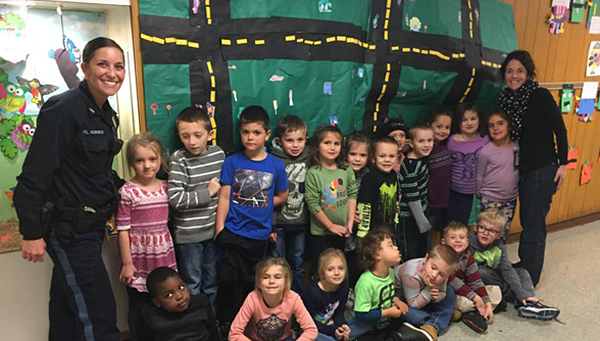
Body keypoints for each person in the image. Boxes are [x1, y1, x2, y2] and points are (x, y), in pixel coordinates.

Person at [13, 37, 125, 340]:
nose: (112, 73)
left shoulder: (104, 112)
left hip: (90, 228)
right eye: (103, 64)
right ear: (85, 68)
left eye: (118, 66)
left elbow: (94, 173)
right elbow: (33, 177)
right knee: (99, 317)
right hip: (68, 230)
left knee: (67, 312)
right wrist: (32, 232)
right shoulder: (64, 109)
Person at [214, 106, 289, 328]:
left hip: (258, 236)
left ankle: (249, 323)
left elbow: (282, 195)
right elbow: (225, 196)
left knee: (251, 283)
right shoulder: (233, 162)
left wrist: (264, 204)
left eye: (256, 133)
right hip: (232, 231)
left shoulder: (275, 165)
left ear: (267, 135)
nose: (250, 137)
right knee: (226, 280)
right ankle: (225, 323)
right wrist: (219, 228)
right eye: (245, 132)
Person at [498, 50, 568, 286]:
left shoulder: (540, 96)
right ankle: (525, 265)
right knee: (526, 220)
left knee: (533, 223)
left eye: (519, 71)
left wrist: (563, 163)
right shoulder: (505, 99)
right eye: (509, 71)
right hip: (518, 168)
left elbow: (560, 128)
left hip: (542, 169)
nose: (514, 76)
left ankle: (529, 278)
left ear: (528, 73)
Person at [116, 133, 177, 340]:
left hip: (163, 254)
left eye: (152, 159)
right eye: (139, 160)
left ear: (160, 159)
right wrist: (127, 263)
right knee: (138, 305)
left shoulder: (167, 188)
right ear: (131, 163)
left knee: (164, 299)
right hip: (139, 258)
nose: (147, 166)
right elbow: (123, 229)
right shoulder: (128, 192)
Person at [168, 107, 225, 306]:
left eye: (197, 135)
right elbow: (175, 199)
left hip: (213, 233)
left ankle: (211, 324)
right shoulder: (179, 159)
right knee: (192, 284)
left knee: (211, 283)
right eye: (185, 136)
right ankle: (195, 328)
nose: (192, 141)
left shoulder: (218, 155)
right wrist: (207, 193)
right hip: (189, 236)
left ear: (210, 135)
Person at [469, 209, 560, 321]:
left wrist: (521, 292)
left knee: (522, 271)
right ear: (476, 228)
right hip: (479, 279)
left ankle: (529, 301)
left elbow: (506, 269)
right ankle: (522, 300)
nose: (486, 233)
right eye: (482, 228)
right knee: (481, 272)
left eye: (492, 231)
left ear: (498, 235)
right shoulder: (469, 242)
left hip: (496, 275)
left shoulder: (499, 245)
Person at [305, 125, 357, 272]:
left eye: (337, 144)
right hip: (321, 234)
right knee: (322, 270)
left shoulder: (346, 169)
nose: (332, 147)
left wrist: (350, 221)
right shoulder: (313, 173)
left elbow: (352, 194)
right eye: (327, 143)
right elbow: (313, 204)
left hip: (342, 231)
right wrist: (330, 226)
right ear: (317, 146)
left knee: (338, 269)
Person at [229, 257, 318, 341]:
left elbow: (311, 330)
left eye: (277, 277)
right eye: (265, 277)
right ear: (259, 283)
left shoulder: (293, 298)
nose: (271, 281)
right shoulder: (252, 299)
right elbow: (234, 334)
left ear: (286, 282)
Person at [270, 115, 310, 294]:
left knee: (298, 263)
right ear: (279, 141)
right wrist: (270, 226)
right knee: (278, 264)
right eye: (289, 140)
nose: (295, 145)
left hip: (300, 223)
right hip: (278, 224)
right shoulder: (273, 160)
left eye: (300, 140)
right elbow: (268, 195)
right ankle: (279, 299)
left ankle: (298, 302)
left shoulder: (310, 156)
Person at [441, 221, 501, 334]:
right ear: (444, 242)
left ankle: (482, 309)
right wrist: (476, 298)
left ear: (467, 242)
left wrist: (486, 301)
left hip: (466, 291)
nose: (458, 240)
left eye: (462, 237)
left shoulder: (468, 258)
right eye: (452, 237)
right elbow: (453, 281)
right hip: (448, 292)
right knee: (466, 303)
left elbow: (476, 281)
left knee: (496, 292)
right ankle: (469, 313)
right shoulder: (442, 257)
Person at [394, 244, 460, 341]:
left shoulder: (443, 274)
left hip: (422, 298)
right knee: (415, 317)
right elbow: (413, 304)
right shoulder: (412, 274)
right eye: (433, 268)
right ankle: (442, 316)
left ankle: (433, 324)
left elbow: (443, 292)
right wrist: (430, 289)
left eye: (441, 274)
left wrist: (435, 298)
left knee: (450, 292)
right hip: (403, 299)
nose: (434, 275)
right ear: (425, 259)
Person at [351, 229, 408, 340]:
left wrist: (397, 301)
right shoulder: (366, 282)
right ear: (377, 254)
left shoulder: (390, 272)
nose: (396, 248)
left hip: (385, 324)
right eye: (390, 246)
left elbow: (387, 296)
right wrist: (388, 312)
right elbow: (361, 315)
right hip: (367, 329)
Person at [141, 267, 220, 341]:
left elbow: (214, 334)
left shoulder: (200, 303)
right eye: (169, 295)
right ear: (157, 302)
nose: (179, 296)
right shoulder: (150, 315)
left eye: (181, 287)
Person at [476, 109, 519, 241]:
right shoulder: (486, 151)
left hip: (509, 200)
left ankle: (499, 260)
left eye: (500, 123)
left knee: (502, 234)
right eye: (491, 125)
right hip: (490, 200)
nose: (496, 128)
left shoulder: (517, 148)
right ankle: (483, 261)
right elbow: (480, 175)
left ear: (509, 125)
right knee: (486, 235)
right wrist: (479, 193)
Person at [447, 102, 490, 226]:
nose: (469, 123)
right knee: (457, 225)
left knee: (477, 225)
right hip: (456, 192)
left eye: (473, 118)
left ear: (479, 119)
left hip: (479, 193)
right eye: (464, 119)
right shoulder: (452, 141)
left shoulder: (485, 139)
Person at [398, 123, 435, 260]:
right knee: (409, 252)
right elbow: (412, 198)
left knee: (421, 250)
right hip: (409, 217)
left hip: (420, 212)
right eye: (421, 141)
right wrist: (423, 223)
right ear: (412, 143)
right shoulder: (410, 166)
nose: (426, 145)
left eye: (429, 140)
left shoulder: (421, 159)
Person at [303, 248, 351, 341]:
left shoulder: (344, 288)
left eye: (341, 268)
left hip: (329, 325)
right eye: (330, 269)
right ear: (322, 273)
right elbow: (307, 322)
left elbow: (339, 312)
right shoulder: (313, 293)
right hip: (310, 328)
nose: (337, 273)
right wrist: (332, 330)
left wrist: (342, 326)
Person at [356, 136, 399, 238]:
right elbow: (364, 205)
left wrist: (396, 221)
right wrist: (363, 231)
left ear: (397, 157)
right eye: (382, 156)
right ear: (373, 158)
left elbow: (396, 200)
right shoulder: (370, 178)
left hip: (390, 229)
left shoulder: (394, 175)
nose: (387, 160)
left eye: (391, 156)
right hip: (372, 232)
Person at [426, 106, 453, 233]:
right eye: (439, 126)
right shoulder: (425, 148)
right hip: (430, 201)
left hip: (445, 199)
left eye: (447, 127)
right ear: (429, 125)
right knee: (427, 230)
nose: (443, 131)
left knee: (446, 230)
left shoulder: (449, 146)